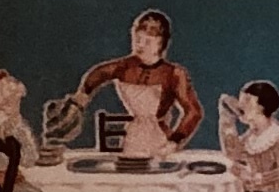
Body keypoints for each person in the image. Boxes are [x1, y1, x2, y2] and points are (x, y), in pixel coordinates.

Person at [70, 11, 205, 161]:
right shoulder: (125, 67)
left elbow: (194, 112)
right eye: (138, 39)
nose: (140, 45)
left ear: (160, 43)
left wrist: (175, 141)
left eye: (147, 41)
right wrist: (82, 96)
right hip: (133, 139)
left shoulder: (174, 74)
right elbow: (98, 73)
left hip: (162, 142)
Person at [218, 78, 279, 192]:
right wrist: (227, 119)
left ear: (262, 106)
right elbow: (232, 153)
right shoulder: (250, 136)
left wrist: (258, 178)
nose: (241, 106)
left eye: (247, 101)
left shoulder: (278, 136)